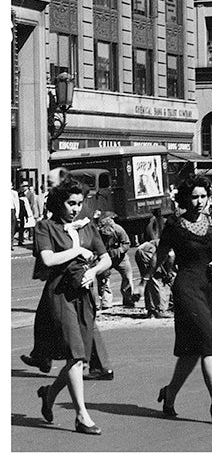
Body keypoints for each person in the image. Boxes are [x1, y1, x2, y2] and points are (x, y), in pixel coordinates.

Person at [32, 178, 112, 434]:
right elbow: (48, 258)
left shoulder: (88, 227)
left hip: (85, 296)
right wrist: (77, 250)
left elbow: (106, 258)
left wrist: (95, 271)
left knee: (77, 359)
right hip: (60, 296)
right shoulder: (46, 227)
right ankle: (82, 416)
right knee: (76, 356)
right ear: (59, 202)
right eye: (70, 203)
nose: (76, 208)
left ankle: (49, 394)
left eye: (79, 203)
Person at [152, 174, 212, 426]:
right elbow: (160, 254)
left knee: (191, 352)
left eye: (203, 197)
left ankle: (170, 393)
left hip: (208, 287)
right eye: (194, 197)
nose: (199, 201)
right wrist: (148, 278)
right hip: (186, 288)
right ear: (186, 199)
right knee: (209, 345)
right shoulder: (175, 226)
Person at [95, 212, 136, 309]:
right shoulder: (97, 233)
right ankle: (106, 303)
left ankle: (128, 300)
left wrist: (118, 251)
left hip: (121, 258)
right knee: (103, 279)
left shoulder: (119, 230)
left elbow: (126, 243)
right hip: (105, 257)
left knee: (127, 277)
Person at [11, 182, 20, 250]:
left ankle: (10, 244)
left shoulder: (14, 193)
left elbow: (17, 203)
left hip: (12, 210)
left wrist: (17, 213)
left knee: (12, 229)